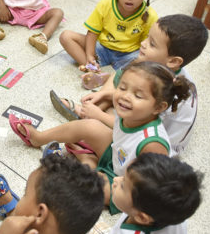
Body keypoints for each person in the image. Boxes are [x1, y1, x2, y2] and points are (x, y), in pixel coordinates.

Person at [10, 61, 192, 215]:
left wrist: (107, 179)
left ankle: (87, 161)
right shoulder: (131, 113)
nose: (125, 97)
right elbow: (119, 130)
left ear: (158, 107)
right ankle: (39, 138)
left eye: (138, 95)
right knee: (89, 126)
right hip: (117, 157)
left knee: (81, 182)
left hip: (124, 186)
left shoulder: (153, 144)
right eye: (122, 88)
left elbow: (145, 190)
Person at [51, 14, 208, 155]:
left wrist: (99, 116)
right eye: (147, 38)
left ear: (173, 61)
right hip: (141, 118)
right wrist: (103, 94)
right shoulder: (161, 68)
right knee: (122, 79)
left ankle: (89, 118)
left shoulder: (166, 89)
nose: (143, 44)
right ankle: (91, 111)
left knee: (95, 128)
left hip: (150, 149)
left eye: (152, 44)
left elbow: (135, 128)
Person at [59, 0, 158, 89]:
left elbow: (147, 45)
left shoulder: (150, 15)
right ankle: (93, 70)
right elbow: (92, 32)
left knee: (148, 63)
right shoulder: (105, 5)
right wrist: (89, 55)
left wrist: (140, 61)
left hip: (128, 55)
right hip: (101, 48)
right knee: (66, 36)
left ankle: (111, 78)